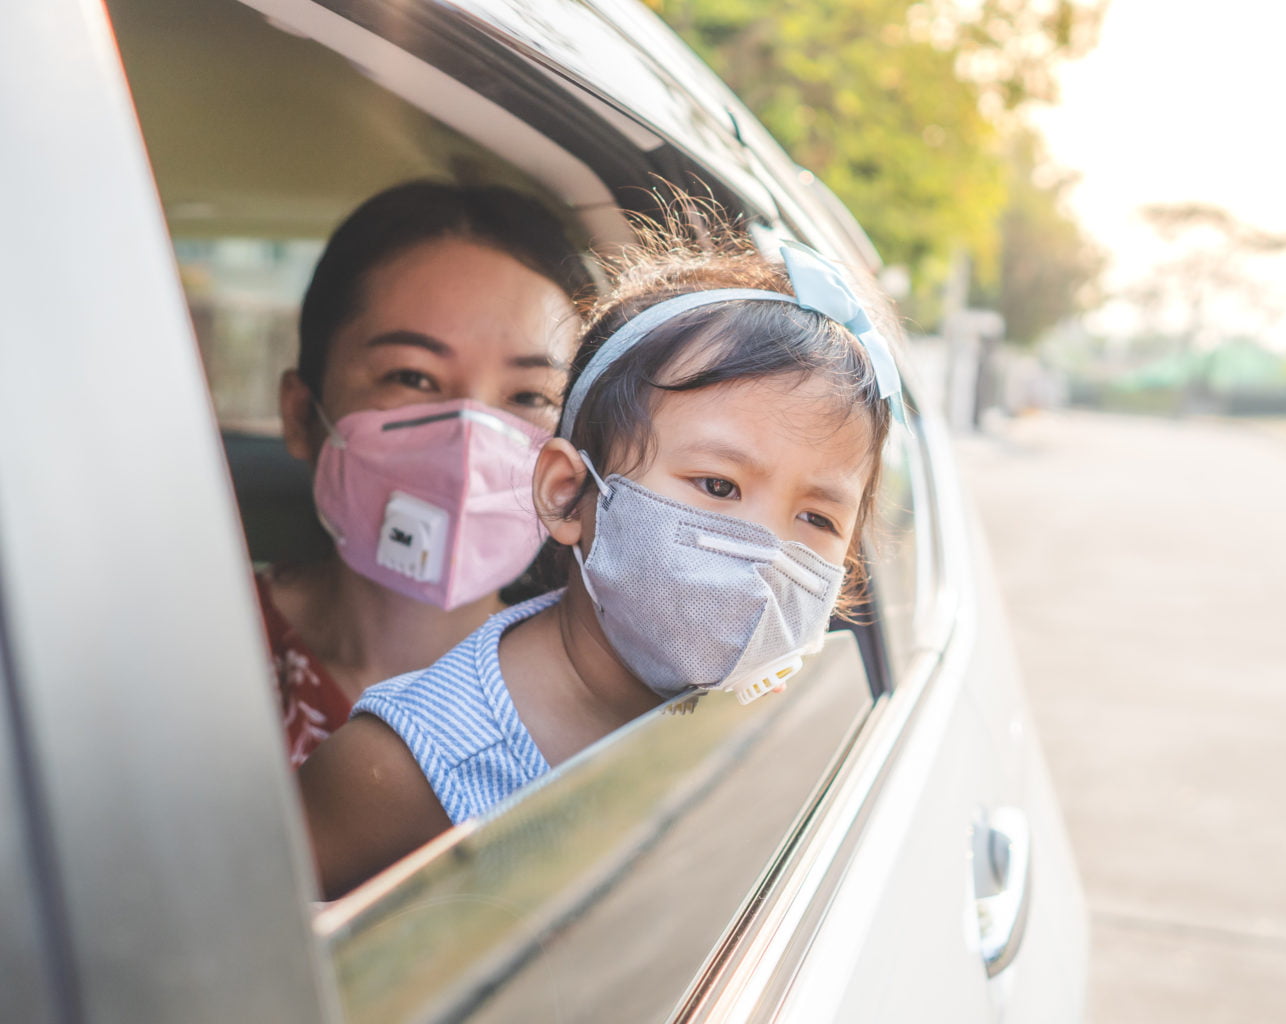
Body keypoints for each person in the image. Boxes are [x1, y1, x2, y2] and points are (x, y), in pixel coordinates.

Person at [299, 225, 903, 899]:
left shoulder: (761, 714)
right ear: (567, 495)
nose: (767, 554)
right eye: (717, 486)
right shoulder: (405, 766)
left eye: (817, 520)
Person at [261, 181, 590, 765]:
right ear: (299, 414)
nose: (467, 443)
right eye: (411, 377)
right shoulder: (183, 654)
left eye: (528, 395)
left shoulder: (595, 707)